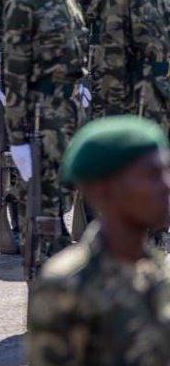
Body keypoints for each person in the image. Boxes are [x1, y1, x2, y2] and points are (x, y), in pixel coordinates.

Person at [27, 115, 170, 365]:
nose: (166, 186)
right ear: (104, 190)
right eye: (152, 175)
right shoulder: (68, 285)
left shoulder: (160, 272)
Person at [2, 0, 89, 273]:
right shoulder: (26, 2)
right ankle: (41, 286)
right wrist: (18, 138)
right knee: (43, 206)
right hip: (41, 113)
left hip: (68, 110)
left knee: (63, 194)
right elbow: (16, 75)